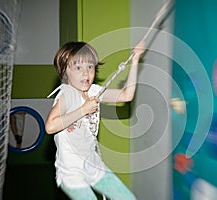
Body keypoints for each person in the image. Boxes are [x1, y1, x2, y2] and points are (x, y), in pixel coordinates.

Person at [45, 40, 145, 200]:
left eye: (90, 67)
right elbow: (50, 126)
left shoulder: (94, 91)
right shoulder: (67, 94)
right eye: (78, 68)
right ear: (65, 72)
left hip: (93, 165)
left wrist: (135, 60)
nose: (86, 73)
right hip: (72, 174)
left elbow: (126, 95)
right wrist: (83, 110)